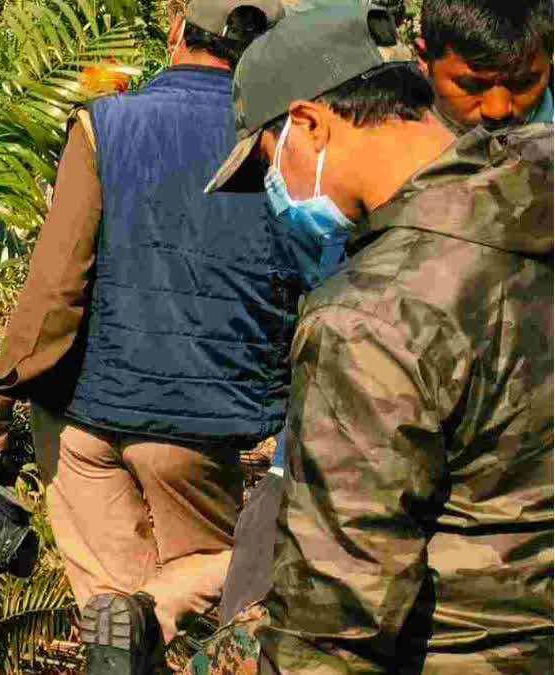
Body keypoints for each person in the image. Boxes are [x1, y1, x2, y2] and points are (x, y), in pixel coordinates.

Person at [197, 3, 552, 671]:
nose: (275, 191)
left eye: (270, 162)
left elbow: (334, 624)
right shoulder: (534, 194)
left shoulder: (368, 318)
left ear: (307, 125)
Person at [0, 0, 294, 671]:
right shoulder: (281, 140)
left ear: (176, 32)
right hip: (196, 434)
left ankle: (145, 613)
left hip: (81, 425)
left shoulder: (106, 124)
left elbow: (54, 290)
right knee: (216, 584)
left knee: (117, 619)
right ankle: (156, 610)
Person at [418, 0, 553, 132]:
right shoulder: (402, 130)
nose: (498, 112)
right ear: (425, 59)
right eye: (472, 85)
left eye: (524, 82)